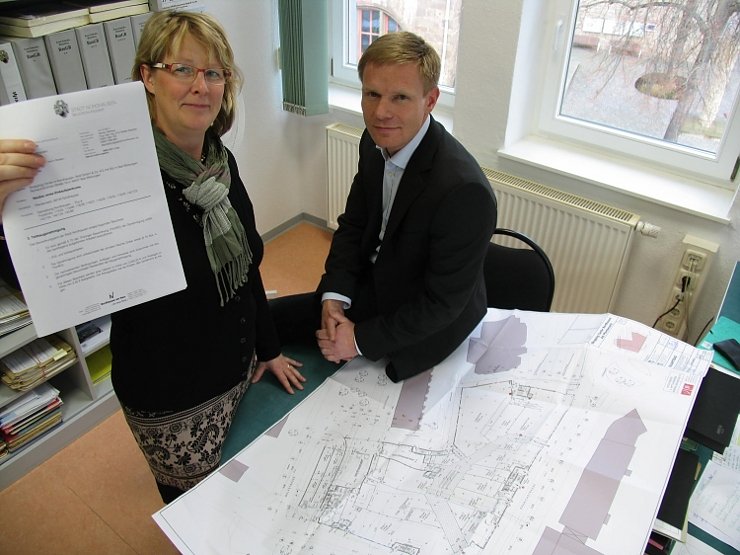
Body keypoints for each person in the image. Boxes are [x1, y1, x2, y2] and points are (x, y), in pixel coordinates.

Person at [0, 11, 306, 503]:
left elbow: (246, 267)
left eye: (213, 72)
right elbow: (46, 273)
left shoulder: (217, 163)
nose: (200, 86)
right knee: (197, 512)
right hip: (172, 395)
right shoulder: (113, 175)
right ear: (147, 76)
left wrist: (267, 349)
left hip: (237, 364)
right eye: (182, 69)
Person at [271, 31, 497, 382]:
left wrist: (359, 340)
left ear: (430, 100)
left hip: (425, 314)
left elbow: (442, 303)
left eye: (400, 97)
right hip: (376, 282)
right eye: (372, 94)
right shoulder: (373, 142)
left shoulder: (464, 190)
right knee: (265, 322)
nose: (380, 113)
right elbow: (353, 225)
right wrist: (334, 294)